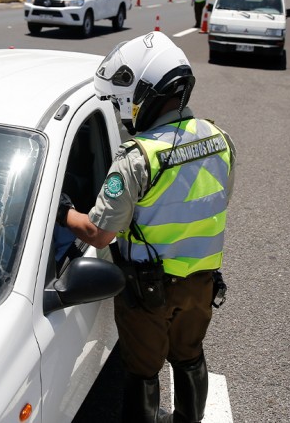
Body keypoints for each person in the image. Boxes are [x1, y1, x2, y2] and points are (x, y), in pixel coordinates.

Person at [57, 31, 236, 423]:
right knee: (189, 357)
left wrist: (61, 209)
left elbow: (98, 233)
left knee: (143, 370)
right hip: (201, 283)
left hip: (148, 288)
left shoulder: (138, 156)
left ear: (144, 93)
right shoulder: (220, 140)